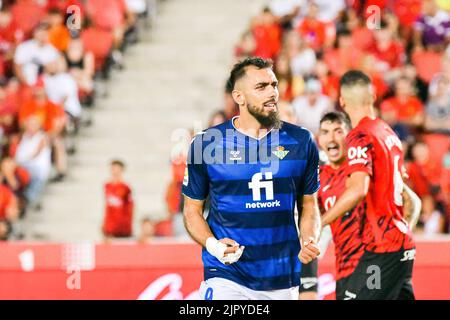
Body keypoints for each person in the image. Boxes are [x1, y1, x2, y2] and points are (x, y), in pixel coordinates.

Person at [182, 57, 321, 300]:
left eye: (274, 85)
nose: (272, 93)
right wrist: (214, 246)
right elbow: (191, 211)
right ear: (239, 97)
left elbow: (309, 205)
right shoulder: (206, 144)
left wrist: (309, 238)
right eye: (261, 87)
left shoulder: (301, 141)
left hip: (281, 276)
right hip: (227, 274)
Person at [321, 70, 416, 300]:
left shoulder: (359, 135)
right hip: (402, 245)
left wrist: (321, 223)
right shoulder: (388, 132)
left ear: (342, 102)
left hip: (382, 248)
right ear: (373, 96)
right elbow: (408, 196)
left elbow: (358, 189)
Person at [102, 159, 134, 242]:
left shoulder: (126, 187)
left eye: (117, 169)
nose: (114, 171)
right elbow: (108, 206)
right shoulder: (107, 186)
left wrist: (128, 226)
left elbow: (130, 207)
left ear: (122, 170)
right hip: (110, 227)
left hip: (122, 228)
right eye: (112, 168)